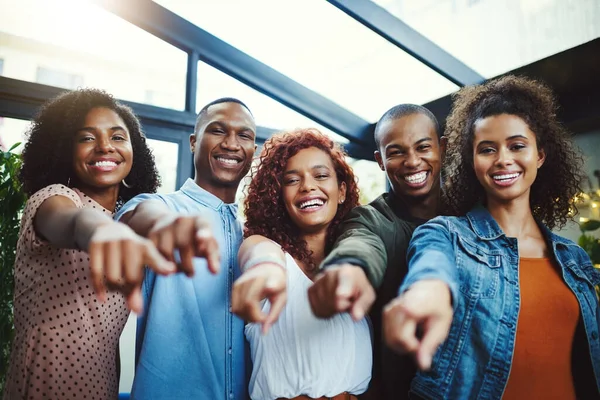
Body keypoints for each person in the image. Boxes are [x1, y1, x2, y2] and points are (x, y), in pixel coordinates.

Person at [384, 75, 600, 399]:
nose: (502, 159)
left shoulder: (574, 258)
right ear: (472, 161)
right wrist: (427, 292)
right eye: (487, 149)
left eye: (517, 146)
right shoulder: (447, 234)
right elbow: (432, 266)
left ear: (539, 155)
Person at [3, 88, 175, 400]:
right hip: (46, 381)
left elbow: (109, 335)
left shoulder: (128, 219)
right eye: (86, 138)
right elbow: (74, 222)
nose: (105, 147)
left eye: (118, 137)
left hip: (102, 384)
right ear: (64, 148)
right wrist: (99, 233)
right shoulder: (54, 198)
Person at [115, 97, 256, 399]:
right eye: (218, 131)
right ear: (194, 142)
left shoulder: (254, 236)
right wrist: (166, 225)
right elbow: (133, 221)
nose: (232, 144)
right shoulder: (158, 206)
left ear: (253, 151)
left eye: (244, 135)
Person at [308, 104, 445, 399]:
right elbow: (359, 242)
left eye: (423, 147)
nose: (412, 161)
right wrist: (349, 268)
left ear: (442, 149)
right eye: (396, 152)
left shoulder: (471, 215)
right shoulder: (371, 219)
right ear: (380, 161)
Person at [231, 129, 371, 400]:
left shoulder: (357, 262)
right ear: (278, 197)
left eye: (320, 176)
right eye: (292, 180)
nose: (308, 186)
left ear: (341, 191)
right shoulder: (266, 248)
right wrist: (266, 270)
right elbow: (258, 255)